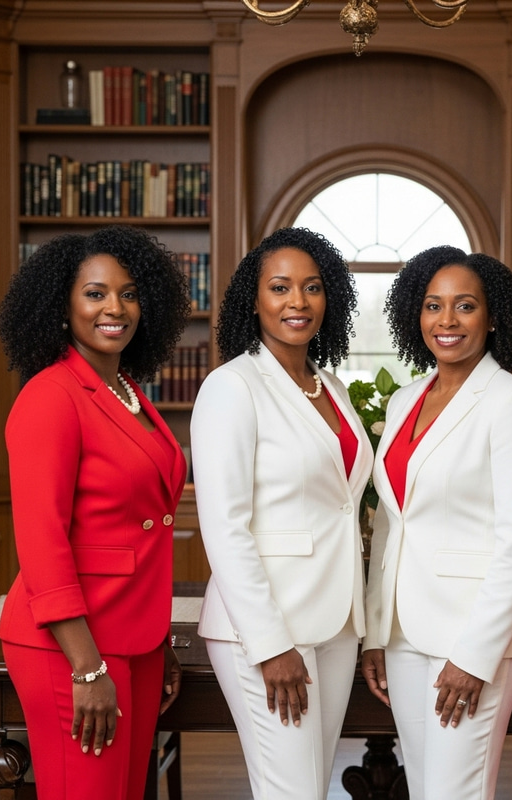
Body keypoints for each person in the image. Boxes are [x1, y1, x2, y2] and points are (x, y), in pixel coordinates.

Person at [0, 225, 190, 800]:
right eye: (96, 293)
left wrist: (153, 642)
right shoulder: (49, 396)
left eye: (129, 294)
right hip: (70, 644)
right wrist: (88, 668)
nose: (115, 308)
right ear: (62, 306)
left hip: (130, 635)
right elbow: (42, 543)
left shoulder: (125, 390)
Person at [362, 245, 512, 800]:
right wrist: (377, 632)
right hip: (404, 633)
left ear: (493, 317)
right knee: (424, 788)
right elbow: (392, 527)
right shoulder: (403, 401)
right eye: (432, 305)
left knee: (457, 792)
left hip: (473, 639)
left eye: (464, 306)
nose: (446, 320)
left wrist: (474, 656)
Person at [191, 227, 373, 799]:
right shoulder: (232, 386)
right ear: (255, 299)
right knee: (289, 790)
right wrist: (269, 645)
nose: (298, 301)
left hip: (337, 618)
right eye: (280, 287)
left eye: (313, 287)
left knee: (308, 786)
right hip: (266, 627)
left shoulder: (332, 388)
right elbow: (224, 525)